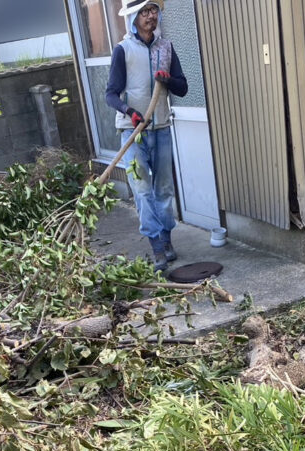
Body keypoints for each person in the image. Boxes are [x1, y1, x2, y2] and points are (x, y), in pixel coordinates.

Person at [105, 0, 188, 273]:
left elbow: (183, 87)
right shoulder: (123, 50)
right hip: (133, 130)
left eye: (154, 10)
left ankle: (167, 240)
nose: (151, 16)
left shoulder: (166, 47)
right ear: (134, 18)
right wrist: (130, 112)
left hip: (161, 126)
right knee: (141, 191)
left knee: (163, 189)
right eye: (144, 12)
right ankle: (156, 249)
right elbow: (110, 94)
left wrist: (167, 79)